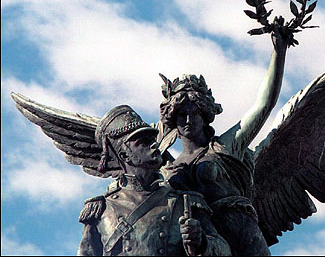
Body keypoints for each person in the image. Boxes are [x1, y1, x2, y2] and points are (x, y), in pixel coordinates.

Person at [159, 26, 289, 255]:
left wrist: (279, 53)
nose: (188, 120)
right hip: (203, 244)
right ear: (172, 118)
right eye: (181, 114)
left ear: (205, 115)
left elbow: (264, 105)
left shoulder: (224, 147)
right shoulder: (165, 166)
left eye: (195, 113)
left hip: (242, 236)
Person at [77, 105, 231, 256]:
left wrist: (202, 242)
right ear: (125, 156)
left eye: (153, 139)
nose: (154, 144)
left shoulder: (185, 202)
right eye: (143, 142)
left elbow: (225, 250)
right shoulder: (101, 211)